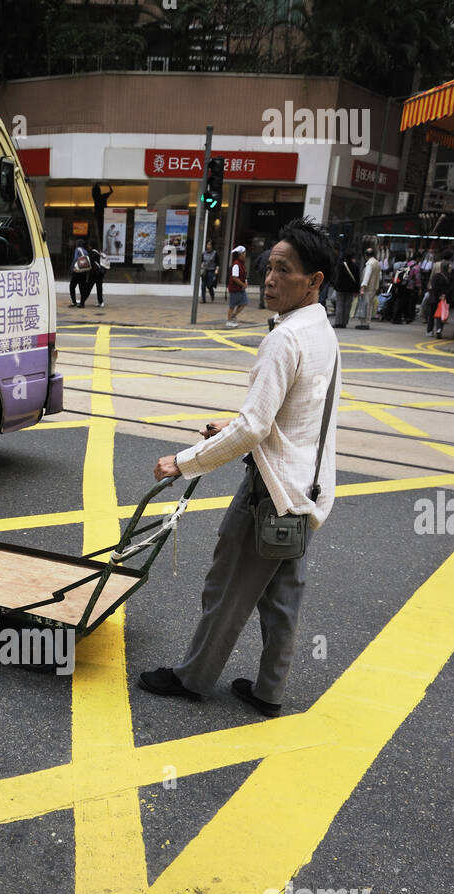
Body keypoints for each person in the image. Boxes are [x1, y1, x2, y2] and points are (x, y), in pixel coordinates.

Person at [139, 218, 340, 717]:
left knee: (227, 589)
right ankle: (269, 690)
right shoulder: (322, 332)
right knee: (281, 599)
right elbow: (288, 417)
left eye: (283, 270)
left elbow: (254, 428)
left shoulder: (284, 340)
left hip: (270, 496)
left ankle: (193, 678)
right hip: (307, 493)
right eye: (268, 267)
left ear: (313, 280)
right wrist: (230, 429)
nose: (268, 279)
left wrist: (181, 462)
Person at [355, 243, 380, 329]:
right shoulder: (377, 263)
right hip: (374, 288)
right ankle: (367, 323)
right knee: (370, 305)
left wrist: (362, 288)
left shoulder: (369, 264)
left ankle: (364, 323)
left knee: (365, 305)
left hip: (368, 288)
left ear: (366, 255)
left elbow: (366, 277)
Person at [332, 247, 359, 326]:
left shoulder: (340, 265)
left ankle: (338, 322)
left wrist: (335, 286)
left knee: (339, 305)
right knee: (347, 306)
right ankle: (344, 322)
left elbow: (337, 277)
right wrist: (357, 290)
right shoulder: (355, 266)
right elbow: (357, 279)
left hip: (340, 288)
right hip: (350, 289)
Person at [225, 244, 248, 326]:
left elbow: (243, 274)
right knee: (232, 306)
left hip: (240, 288)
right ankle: (229, 321)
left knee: (244, 302)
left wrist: (245, 281)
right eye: (244, 253)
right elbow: (235, 277)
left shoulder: (241, 264)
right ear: (240, 254)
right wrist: (243, 284)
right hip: (235, 289)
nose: (245, 255)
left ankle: (233, 316)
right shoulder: (236, 264)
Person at [427, 259, 450, 337]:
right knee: (440, 315)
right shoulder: (449, 277)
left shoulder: (436, 276)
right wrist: (444, 295)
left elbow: (433, 287)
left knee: (431, 315)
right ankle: (439, 329)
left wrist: (439, 294)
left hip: (434, 298)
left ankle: (429, 331)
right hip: (443, 299)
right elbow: (450, 288)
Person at [68, 239, 92, 307]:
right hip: (84, 271)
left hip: (77, 271)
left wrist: (72, 268)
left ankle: (74, 302)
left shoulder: (77, 249)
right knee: (82, 287)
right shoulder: (85, 251)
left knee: (72, 286)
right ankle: (82, 303)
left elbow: (75, 258)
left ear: (78, 244)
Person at [255, 242, 272, 308]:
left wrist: (257, 269)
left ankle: (261, 303)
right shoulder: (273, 254)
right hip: (267, 271)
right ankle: (265, 303)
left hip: (261, 271)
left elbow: (257, 261)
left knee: (262, 287)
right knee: (269, 287)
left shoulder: (265, 253)